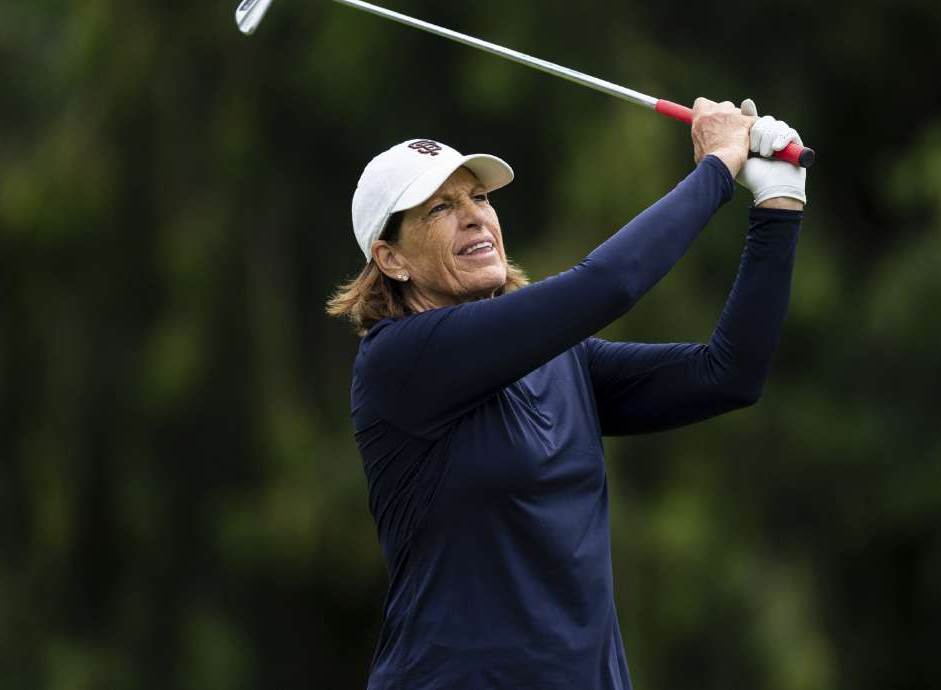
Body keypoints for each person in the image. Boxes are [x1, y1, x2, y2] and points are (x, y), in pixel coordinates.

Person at [327, 98, 807, 690]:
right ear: (392, 259)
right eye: (440, 209)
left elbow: (729, 374)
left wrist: (778, 206)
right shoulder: (399, 362)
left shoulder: (561, 360)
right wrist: (716, 169)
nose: (475, 217)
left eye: (479, 197)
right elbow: (608, 284)